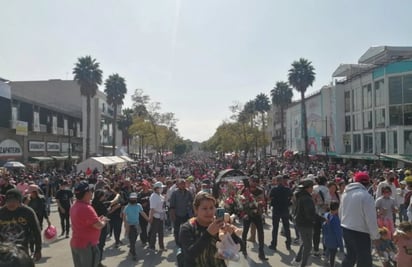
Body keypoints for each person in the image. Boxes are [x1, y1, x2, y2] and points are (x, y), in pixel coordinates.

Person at [340, 172, 381, 267]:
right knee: (364, 260)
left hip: (346, 229)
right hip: (360, 232)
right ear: (367, 183)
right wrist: (375, 236)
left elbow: (340, 212)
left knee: (350, 256)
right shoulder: (366, 196)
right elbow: (371, 219)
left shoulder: (345, 194)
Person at [179, 192, 230, 267]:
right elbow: (189, 254)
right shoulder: (187, 228)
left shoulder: (219, 225)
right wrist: (208, 234)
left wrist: (231, 235)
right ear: (195, 209)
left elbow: (239, 247)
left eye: (212, 208)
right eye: (204, 208)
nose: (209, 212)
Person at [70, 181, 109, 267]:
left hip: (77, 243)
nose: (92, 193)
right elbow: (98, 226)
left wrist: (98, 219)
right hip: (87, 245)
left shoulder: (75, 205)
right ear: (87, 193)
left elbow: (85, 222)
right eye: (91, 191)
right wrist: (104, 221)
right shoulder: (86, 208)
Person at [0, 189, 42, 261]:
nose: (11, 204)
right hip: (4, 249)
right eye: (8, 201)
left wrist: (38, 250)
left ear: (20, 201)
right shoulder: (1, 212)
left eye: (14, 201)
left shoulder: (27, 212)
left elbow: (36, 231)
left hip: (22, 248)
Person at [292, 178, 318, 267]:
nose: (312, 189)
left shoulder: (300, 195)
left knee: (304, 243)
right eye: (312, 187)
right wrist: (320, 219)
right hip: (305, 224)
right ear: (308, 188)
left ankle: (297, 260)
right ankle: (303, 265)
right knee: (308, 246)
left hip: (299, 222)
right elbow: (310, 214)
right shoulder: (307, 198)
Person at [122, 192, 149, 261]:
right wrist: (125, 225)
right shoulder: (127, 207)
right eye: (132, 198)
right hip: (130, 225)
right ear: (130, 199)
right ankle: (133, 253)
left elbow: (142, 213)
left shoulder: (138, 205)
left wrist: (148, 219)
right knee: (132, 240)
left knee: (134, 238)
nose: (133, 199)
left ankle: (131, 249)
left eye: (134, 198)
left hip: (137, 225)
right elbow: (124, 216)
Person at [269, 175, 292, 251]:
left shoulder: (274, 189)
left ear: (277, 181)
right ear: (282, 181)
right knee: (287, 227)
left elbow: (270, 198)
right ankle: (288, 243)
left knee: (275, 228)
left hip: (276, 210)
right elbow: (291, 197)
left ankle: (274, 244)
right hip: (285, 209)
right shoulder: (287, 189)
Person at [170, 179, 193, 247]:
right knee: (177, 230)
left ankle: (185, 242)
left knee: (186, 229)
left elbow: (192, 202)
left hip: (186, 214)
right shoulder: (175, 193)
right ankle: (178, 243)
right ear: (178, 185)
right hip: (177, 214)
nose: (183, 185)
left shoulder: (188, 192)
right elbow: (172, 206)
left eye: (184, 183)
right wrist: (173, 215)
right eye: (181, 184)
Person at [91, 189, 110, 267]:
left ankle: (95, 262)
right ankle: (98, 263)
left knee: (95, 246)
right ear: (100, 196)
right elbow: (104, 214)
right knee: (100, 245)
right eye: (103, 196)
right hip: (101, 226)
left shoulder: (92, 204)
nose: (104, 197)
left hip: (94, 228)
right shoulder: (101, 205)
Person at [322, 202, 343, 267]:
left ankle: (325, 261)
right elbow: (338, 234)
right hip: (333, 242)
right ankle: (332, 265)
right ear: (337, 209)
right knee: (332, 256)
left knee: (328, 250)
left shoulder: (326, 215)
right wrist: (341, 246)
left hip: (326, 239)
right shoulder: (336, 219)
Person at [148, 181, 167, 251]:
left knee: (161, 232)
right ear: (156, 188)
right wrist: (150, 218)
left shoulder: (160, 195)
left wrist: (165, 212)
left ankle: (161, 247)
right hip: (156, 217)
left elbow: (164, 206)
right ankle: (152, 246)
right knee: (154, 232)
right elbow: (152, 209)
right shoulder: (153, 196)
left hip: (161, 216)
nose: (162, 189)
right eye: (160, 188)